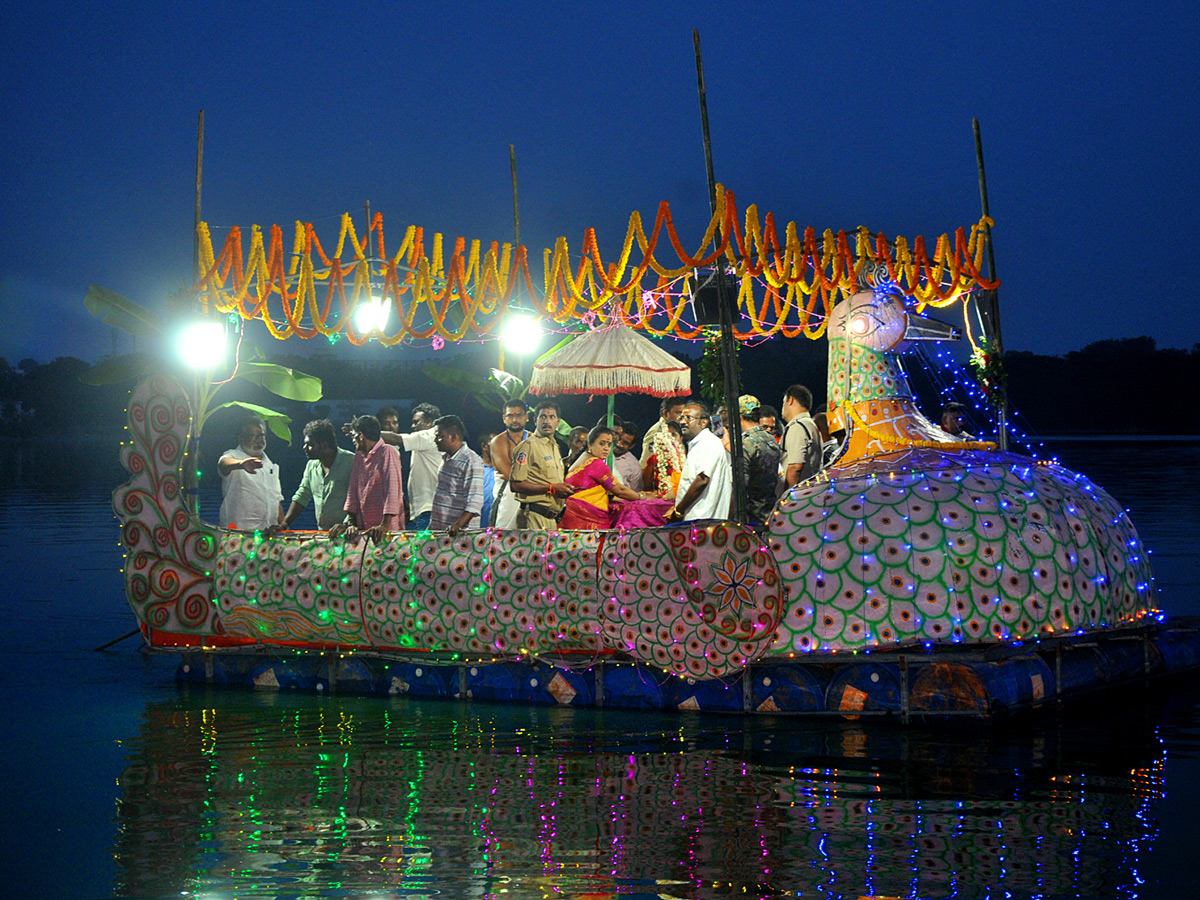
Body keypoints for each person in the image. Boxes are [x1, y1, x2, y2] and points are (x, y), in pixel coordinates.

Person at [330, 414, 405, 544]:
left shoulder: (387, 452)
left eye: (353, 435)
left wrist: (383, 526)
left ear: (361, 436)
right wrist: (351, 524)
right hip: (363, 528)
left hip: (387, 532)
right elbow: (353, 490)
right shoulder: (359, 455)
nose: (353, 440)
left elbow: (392, 491)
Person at [560, 425, 645, 529]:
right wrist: (642, 497)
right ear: (590, 444)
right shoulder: (596, 464)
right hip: (586, 521)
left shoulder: (581, 460)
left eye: (609, 445)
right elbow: (619, 490)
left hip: (569, 519)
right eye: (602, 443)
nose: (606, 448)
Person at [509, 400, 575, 529]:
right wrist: (552, 488)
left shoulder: (555, 446)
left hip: (551, 519)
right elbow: (515, 484)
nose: (546, 421)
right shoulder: (528, 446)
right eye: (542, 417)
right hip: (533, 517)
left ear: (558, 422)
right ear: (535, 420)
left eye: (551, 417)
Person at [279, 419, 355, 530]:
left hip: (348, 535)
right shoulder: (311, 465)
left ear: (324, 445)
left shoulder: (351, 462)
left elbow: (359, 499)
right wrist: (284, 524)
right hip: (323, 534)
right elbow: (302, 495)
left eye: (309, 444)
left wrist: (346, 524)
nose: (304, 448)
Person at [667, 400, 732, 523]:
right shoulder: (698, 444)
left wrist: (678, 512)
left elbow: (702, 480)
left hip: (702, 520)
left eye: (688, 418)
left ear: (703, 422)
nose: (682, 422)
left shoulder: (708, 443)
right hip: (696, 519)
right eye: (681, 417)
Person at [381, 402, 442, 530]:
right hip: (427, 508)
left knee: (424, 549)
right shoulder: (428, 438)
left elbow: (397, 439)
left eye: (416, 422)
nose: (412, 425)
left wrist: (367, 431)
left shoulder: (429, 436)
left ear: (429, 422)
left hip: (429, 508)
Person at [218, 415, 283, 531]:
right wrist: (241, 464)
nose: (258, 440)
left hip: (269, 535)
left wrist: (283, 528)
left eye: (261, 435)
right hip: (239, 534)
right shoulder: (233, 456)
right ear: (240, 438)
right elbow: (223, 464)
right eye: (252, 436)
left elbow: (276, 500)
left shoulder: (270, 465)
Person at [429, 415, 485, 537]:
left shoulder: (471, 461)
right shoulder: (446, 458)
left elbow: (475, 501)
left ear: (454, 437)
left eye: (439, 436)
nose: (435, 440)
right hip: (441, 532)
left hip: (460, 536)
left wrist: (457, 526)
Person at [738, 395, 783, 529]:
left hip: (751, 517)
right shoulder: (770, 440)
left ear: (739, 416)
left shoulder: (745, 443)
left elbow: (741, 485)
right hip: (770, 512)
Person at [488, 400, 529, 529]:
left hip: (532, 495)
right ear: (504, 418)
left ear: (526, 417)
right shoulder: (498, 441)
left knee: (531, 540)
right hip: (508, 495)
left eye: (519, 415)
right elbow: (509, 473)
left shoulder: (535, 439)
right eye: (510, 416)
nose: (515, 419)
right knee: (502, 541)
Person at [780, 384, 822, 492]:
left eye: (784, 402)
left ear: (791, 400)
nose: (783, 407)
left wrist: (786, 497)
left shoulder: (798, 427)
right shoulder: (810, 425)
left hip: (797, 497)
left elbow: (795, 466)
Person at [642, 421, 685, 499]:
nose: (669, 438)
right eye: (666, 435)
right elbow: (647, 485)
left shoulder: (685, 459)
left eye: (673, 435)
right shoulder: (653, 460)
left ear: (681, 439)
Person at [640, 396, 687, 466]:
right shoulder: (656, 432)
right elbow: (646, 463)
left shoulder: (678, 429)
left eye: (683, 414)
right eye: (678, 413)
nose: (682, 417)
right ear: (665, 413)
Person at [612, 422, 643, 491]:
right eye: (619, 439)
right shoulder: (600, 453)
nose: (619, 444)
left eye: (625, 443)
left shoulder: (634, 466)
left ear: (632, 446)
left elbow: (636, 492)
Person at [478, 430, 496, 528]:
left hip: (500, 526)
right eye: (496, 443)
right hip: (476, 527)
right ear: (485, 447)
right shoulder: (474, 467)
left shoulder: (505, 469)